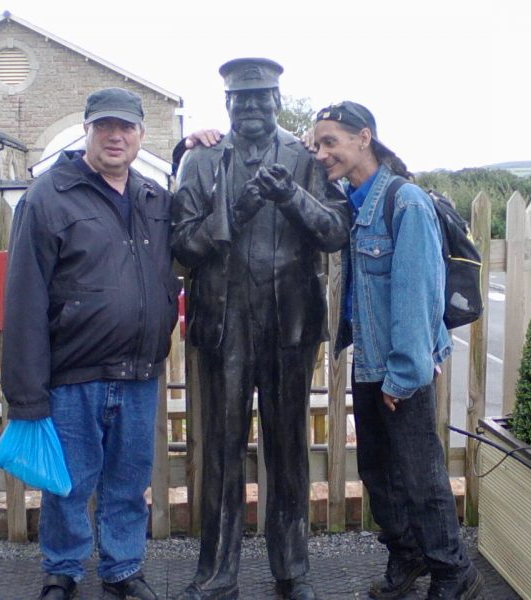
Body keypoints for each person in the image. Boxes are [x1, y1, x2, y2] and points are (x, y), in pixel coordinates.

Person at [171, 58, 350, 600]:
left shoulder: (305, 160)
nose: (251, 108)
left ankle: (292, 570)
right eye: (241, 100)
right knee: (222, 451)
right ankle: (217, 573)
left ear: (277, 101)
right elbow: (183, 248)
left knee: (288, 448)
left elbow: (335, 231)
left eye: (261, 98)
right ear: (226, 106)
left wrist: (290, 197)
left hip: (288, 326)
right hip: (224, 325)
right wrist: (241, 207)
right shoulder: (200, 163)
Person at [1, 88, 180, 600]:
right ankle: (63, 569)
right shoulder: (48, 196)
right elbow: (24, 297)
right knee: (69, 484)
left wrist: (192, 151)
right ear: (87, 131)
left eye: (125, 128)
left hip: (140, 372)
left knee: (127, 484)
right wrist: (28, 394)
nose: (115, 136)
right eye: (104, 127)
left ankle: (123, 569)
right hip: (74, 373)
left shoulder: (154, 199)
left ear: (141, 136)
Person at [312, 101, 483, 600]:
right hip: (370, 361)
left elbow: (417, 295)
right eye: (317, 144)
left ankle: (454, 572)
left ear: (364, 138)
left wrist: (404, 376)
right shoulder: (353, 198)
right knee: (378, 473)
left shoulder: (403, 202)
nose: (322, 153)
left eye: (331, 142)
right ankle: (405, 556)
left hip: (399, 366)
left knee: (421, 475)